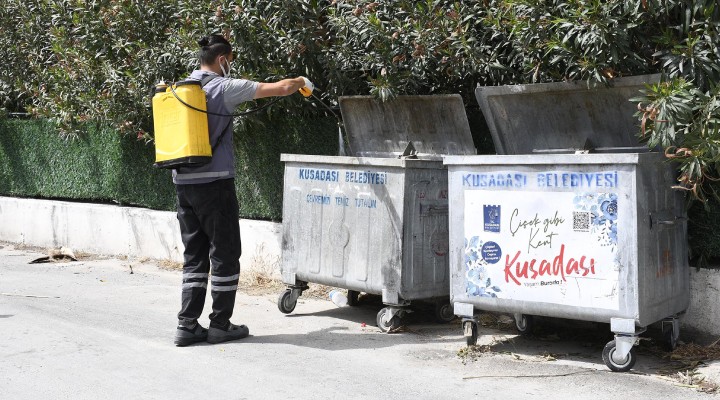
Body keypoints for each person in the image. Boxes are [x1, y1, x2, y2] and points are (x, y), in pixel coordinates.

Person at [173, 34, 312, 346]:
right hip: (215, 184)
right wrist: (302, 80)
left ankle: (187, 325)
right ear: (223, 59)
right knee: (224, 254)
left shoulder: (179, 89)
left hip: (183, 185)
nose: (231, 66)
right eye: (230, 61)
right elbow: (280, 87)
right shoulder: (224, 87)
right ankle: (220, 324)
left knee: (194, 256)